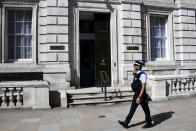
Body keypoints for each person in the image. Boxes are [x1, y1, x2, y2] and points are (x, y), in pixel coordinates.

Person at [118, 60, 153, 128]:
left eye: (135, 65)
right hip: (137, 94)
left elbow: (143, 87)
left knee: (145, 109)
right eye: (134, 65)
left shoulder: (142, 75)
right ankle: (126, 122)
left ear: (139, 66)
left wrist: (139, 97)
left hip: (141, 95)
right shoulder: (137, 73)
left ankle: (149, 123)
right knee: (132, 109)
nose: (134, 66)